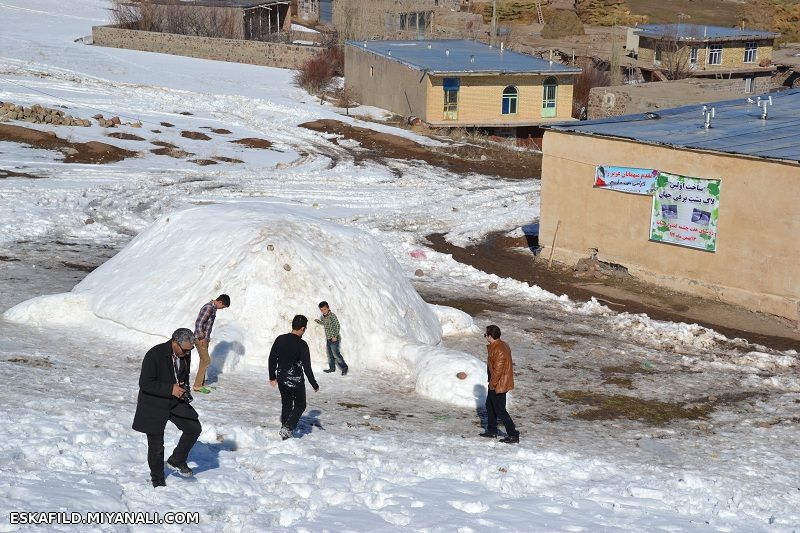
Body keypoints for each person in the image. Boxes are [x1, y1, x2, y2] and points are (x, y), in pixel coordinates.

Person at [132, 328, 202, 487]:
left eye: (190, 350)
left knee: (193, 427)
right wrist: (170, 389)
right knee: (156, 445)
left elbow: (183, 375)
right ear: (175, 342)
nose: (187, 353)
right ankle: (157, 480)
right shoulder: (154, 355)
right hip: (154, 403)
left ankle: (177, 460)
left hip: (175, 401)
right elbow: (145, 384)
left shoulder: (185, 353)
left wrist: (184, 389)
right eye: (184, 350)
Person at [269, 315, 319, 440]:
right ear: (302, 328)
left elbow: (272, 358)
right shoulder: (302, 344)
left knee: (286, 404)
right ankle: (288, 428)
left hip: (282, 377)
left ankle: (285, 431)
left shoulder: (280, 339)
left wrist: (272, 376)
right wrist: (314, 384)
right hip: (296, 380)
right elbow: (307, 367)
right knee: (300, 405)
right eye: (305, 329)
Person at [479, 324, 520, 444]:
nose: (485, 336)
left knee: (500, 410)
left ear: (490, 336)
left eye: (485, 334)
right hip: (496, 382)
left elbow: (498, 370)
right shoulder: (498, 345)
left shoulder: (499, 349)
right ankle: (492, 431)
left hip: (498, 384)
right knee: (490, 406)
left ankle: (513, 434)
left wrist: (492, 384)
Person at [193, 294, 230, 393]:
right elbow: (199, 323)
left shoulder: (213, 308)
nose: (222, 309)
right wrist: (201, 337)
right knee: (206, 360)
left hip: (204, 339)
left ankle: (200, 383)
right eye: (223, 307)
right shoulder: (209, 308)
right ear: (220, 302)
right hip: (200, 339)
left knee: (203, 360)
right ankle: (197, 385)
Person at [314, 301, 348, 376]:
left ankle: (344, 367)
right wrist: (319, 321)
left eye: (325, 309)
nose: (323, 311)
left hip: (334, 338)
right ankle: (332, 368)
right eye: (322, 310)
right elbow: (324, 323)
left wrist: (335, 336)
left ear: (328, 308)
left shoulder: (332, 316)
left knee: (336, 354)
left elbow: (337, 326)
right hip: (328, 338)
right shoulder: (323, 317)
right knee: (330, 354)